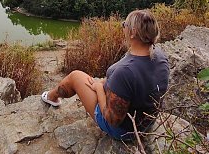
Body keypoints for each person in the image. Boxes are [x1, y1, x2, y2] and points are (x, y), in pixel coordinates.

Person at [41, 9, 169, 141]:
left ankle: (52, 97)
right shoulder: (160, 56)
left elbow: (112, 120)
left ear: (134, 32)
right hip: (146, 125)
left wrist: (99, 89)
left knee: (75, 76)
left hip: (124, 131)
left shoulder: (125, 72)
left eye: (124, 24)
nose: (123, 27)